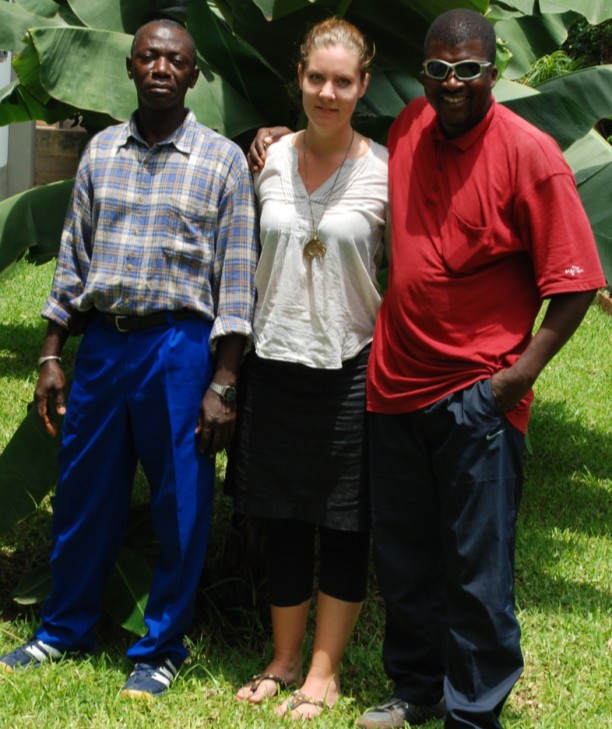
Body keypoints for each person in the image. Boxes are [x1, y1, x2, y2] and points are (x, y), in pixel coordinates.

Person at [250, 9, 605, 728]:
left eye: (467, 69)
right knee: (406, 557)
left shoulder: (530, 154)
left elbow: (572, 285)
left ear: (493, 70)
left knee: (477, 567)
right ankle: (415, 688)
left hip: (479, 395)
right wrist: (275, 138)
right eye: (438, 68)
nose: (451, 83)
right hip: (392, 388)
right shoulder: (410, 125)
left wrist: (510, 382)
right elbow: (343, 156)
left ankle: (473, 711)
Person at [0, 19, 259, 700]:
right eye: (149, 55)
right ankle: (64, 628)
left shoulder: (221, 161)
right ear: (131, 66)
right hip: (105, 345)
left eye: (176, 59)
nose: (161, 67)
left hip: (178, 347)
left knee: (180, 501)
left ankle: (161, 646)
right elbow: (73, 262)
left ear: (194, 74)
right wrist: (52, 353)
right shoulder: (100, 153)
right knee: (85, 493)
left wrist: (225, 379)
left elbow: (235, 279)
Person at [225, 18, 389, 720]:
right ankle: (284, 659)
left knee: (345, 523)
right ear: (298, 78)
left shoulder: (385, 170)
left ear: (363, 86)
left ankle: (324, 672)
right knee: (285, 518)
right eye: (316, 78)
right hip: (274, 363)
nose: (328, 91)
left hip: (352, 366)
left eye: (342, 81)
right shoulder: (265, 158)